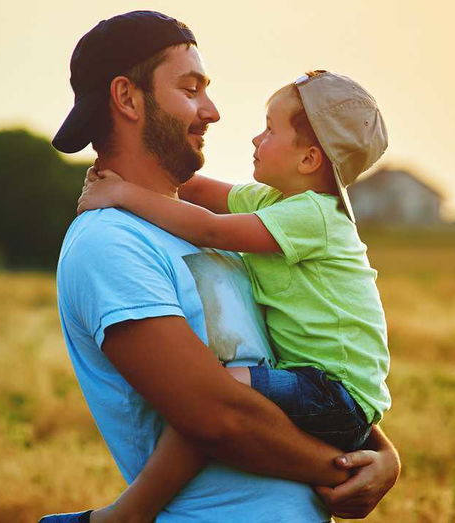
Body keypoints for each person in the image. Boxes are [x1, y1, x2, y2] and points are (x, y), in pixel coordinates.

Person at [40, 11, 399, 523]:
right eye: (190, 89)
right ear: (127, 98)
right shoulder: (110, 241)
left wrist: (383, 453)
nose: (213, 112)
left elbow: (290, 366)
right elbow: (216, 417)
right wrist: (346, 469)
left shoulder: (234, 230)